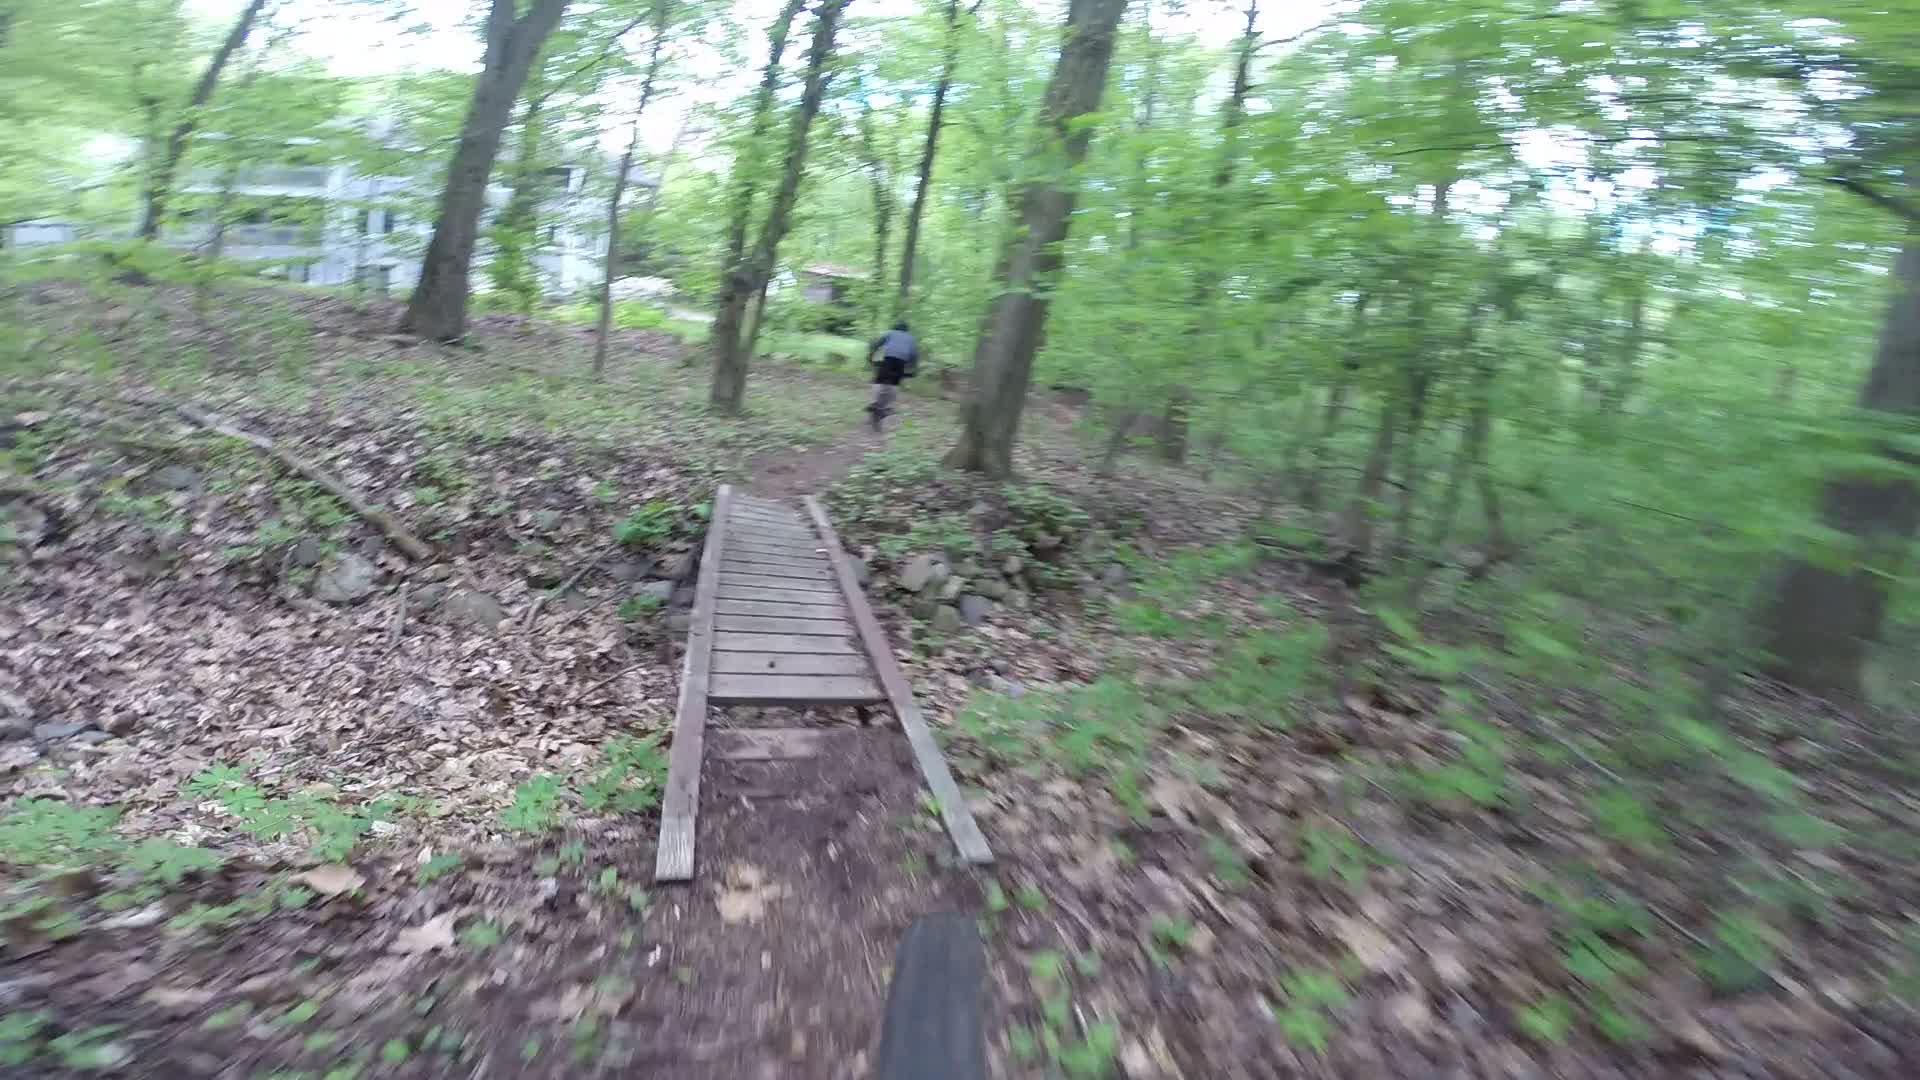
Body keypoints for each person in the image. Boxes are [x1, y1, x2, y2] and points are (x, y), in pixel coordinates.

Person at [866, 320, 919, 431]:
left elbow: (877, 344)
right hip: (901, 362)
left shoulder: (890, 332)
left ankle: (874, 402)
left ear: (896, 327)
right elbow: (914, 355)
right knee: (895, 384)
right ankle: (888, 407)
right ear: (906, 330)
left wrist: (871, 356)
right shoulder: (911, 338)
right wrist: (913, 369)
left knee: (878, 381)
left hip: (888, 358)